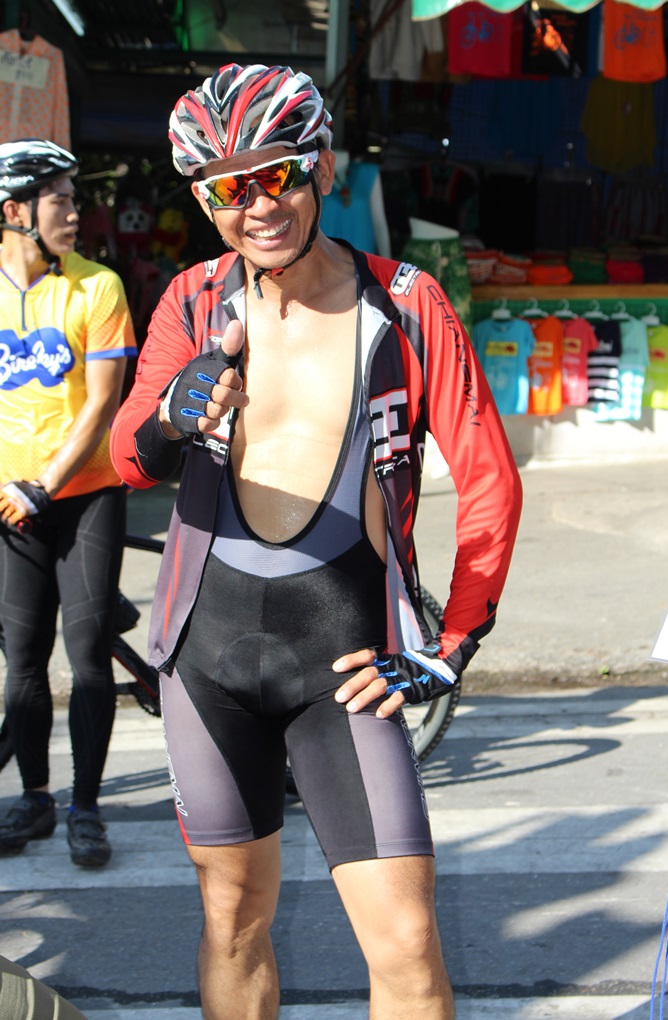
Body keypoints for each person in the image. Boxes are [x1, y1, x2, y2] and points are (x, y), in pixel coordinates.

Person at [110, 63, 522, 1019]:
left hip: (345, 665)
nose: (257, 206)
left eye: (277, 175)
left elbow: (490, 483)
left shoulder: (405, 304)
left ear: (322, 168)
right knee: (231, 918)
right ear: (204, 202)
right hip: (207, 661)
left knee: (408, 944)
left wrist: (451, 644)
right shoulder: (191, 301)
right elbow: (128, 458)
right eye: (227, 188)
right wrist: (173, 414)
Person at [0, 139, 137, 868]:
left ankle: (86, 806)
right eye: (60, 201)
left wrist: (43, 484)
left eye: (75, 200)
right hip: (10, 508)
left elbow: (102, 406)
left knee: (86, 657)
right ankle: (35, 799)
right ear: (14, 210)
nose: (75, 213)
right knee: (23, 660)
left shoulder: (98, 287)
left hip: (86, 497)